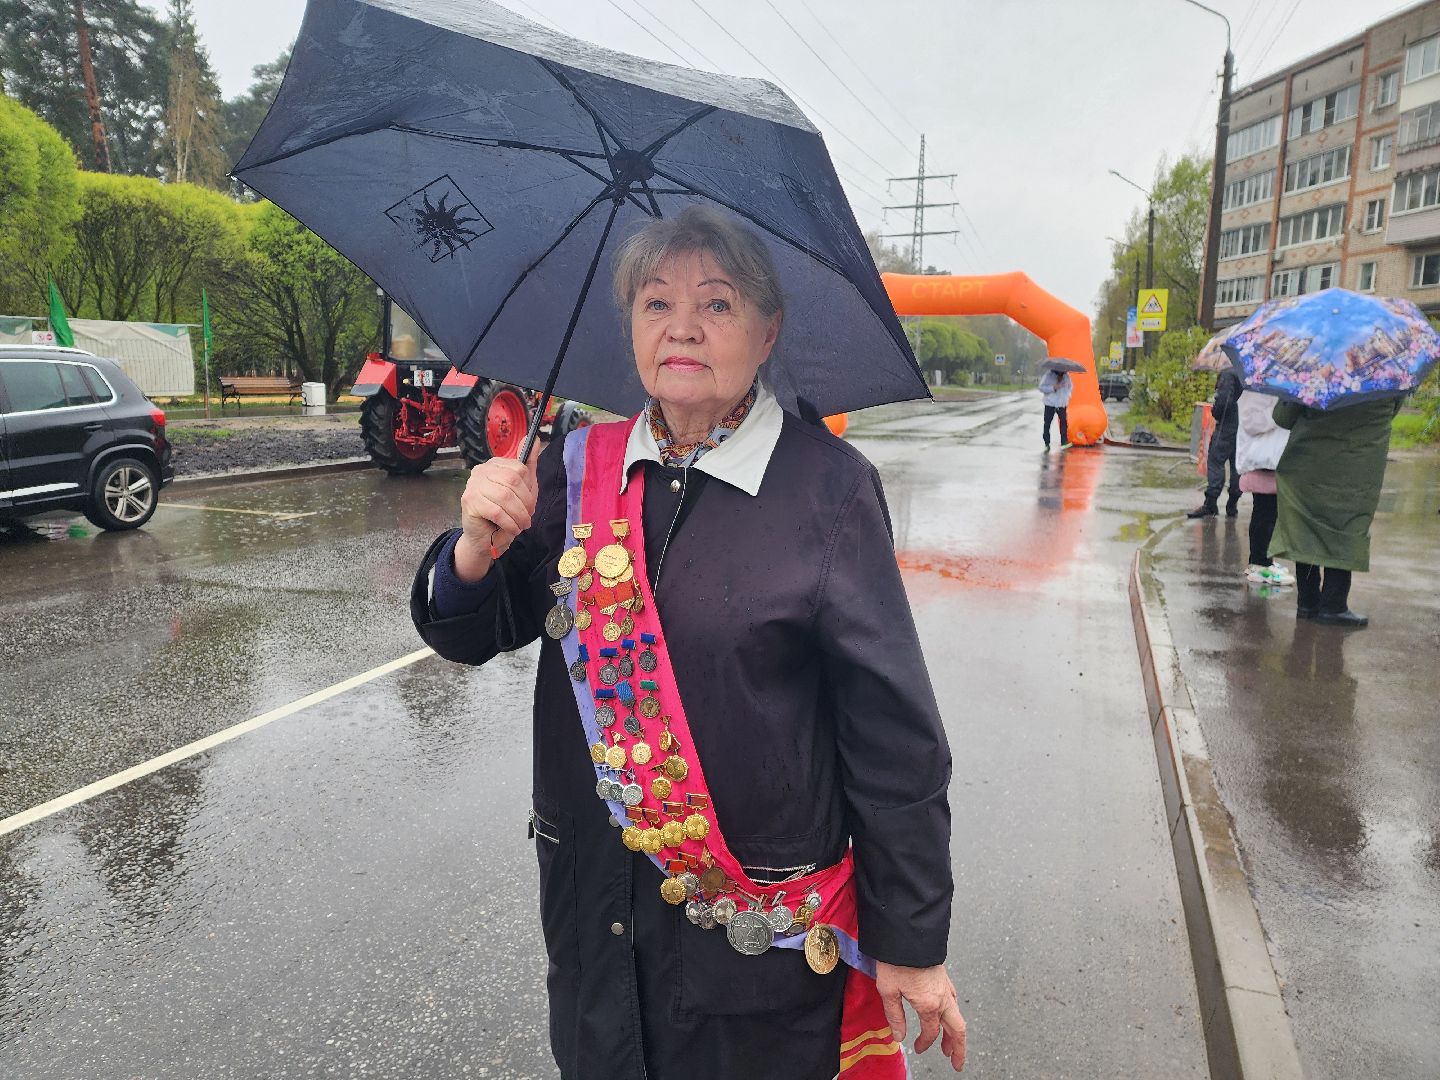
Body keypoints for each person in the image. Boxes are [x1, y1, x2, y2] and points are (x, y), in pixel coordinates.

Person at [410, 205, 965, 1079]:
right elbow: (477, 630)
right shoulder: (574, 466)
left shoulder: (828, 490)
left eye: (717, 303)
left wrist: (910, 940)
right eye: (656, 303)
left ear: (768, 329)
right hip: (598, 910)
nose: (682, 329)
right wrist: (476, 546)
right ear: (628, 324)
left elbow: (892, 736)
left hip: (754, 938)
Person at [1269, 396, 1402, 627]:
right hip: (1357, 466)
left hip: (1307, 463)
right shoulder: (1390, 375)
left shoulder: (1313, 366)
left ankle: (1307, 603)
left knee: (1305, 526)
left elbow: (1282, 417)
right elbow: (1390, 412)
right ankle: (1334, 605)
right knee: (1346, 525)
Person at [1234, 390, 1293, 586]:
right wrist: (1279, 412)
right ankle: (1258, 563)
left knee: (1269, 513)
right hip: (1262, 461)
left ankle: (1263, 561)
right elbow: (1252, 422)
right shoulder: (1255, 390)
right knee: (1264, 513)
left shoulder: (1271, 389)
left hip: (1272, 460)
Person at [1187, 368, 1243, 518]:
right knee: (1237, 467)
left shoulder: (1229, 374)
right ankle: (1232, 505)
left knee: (1215, 462)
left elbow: (1224, 401)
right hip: (1244, 429)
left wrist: (1215, 410)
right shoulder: (1251, 373)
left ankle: (1210, 504)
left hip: (1226, 427)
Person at [1038, 366, 1071, 449]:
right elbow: (1041, 388)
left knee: (1064, 422)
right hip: (1050, 403)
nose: (1062, 372)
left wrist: (1067, 396)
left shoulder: (1066, 376)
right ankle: (1047, 443)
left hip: (1061, 404)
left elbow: (1070, 387)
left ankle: (1064, 442)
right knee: (1047, 423)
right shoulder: (1048, 375)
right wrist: (1053, 388)